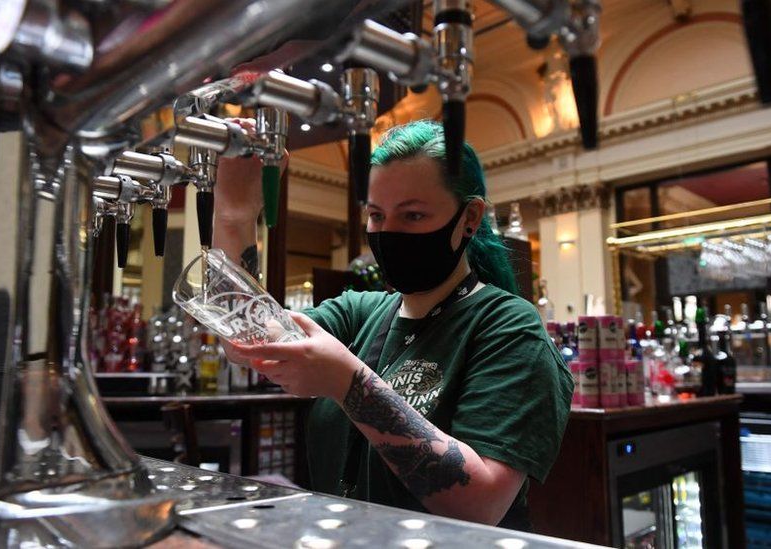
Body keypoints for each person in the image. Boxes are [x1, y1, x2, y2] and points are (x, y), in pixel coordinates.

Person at [214, 120, 573, 530]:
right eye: (377, 216)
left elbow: (481, 503)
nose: (388, 234)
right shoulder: (359, 313)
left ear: (469, 217)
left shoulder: (508, 328)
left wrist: (348, 383)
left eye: (413, 215)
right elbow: (251, 338)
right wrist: (234, 213)